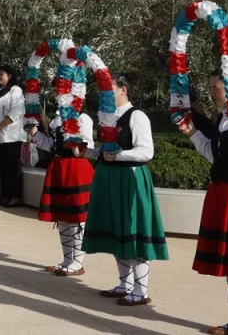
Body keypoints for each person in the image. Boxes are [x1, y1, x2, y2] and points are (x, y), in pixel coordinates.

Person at [84, 73, 167, 306]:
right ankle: (124, 284)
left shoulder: (136, 116)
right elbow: (104, 150)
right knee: (117, 229)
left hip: (129, 178)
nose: (105, 93)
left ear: (123, 90)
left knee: (133, 229)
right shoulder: (107, 117)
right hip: (109, 177)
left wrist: (118, 156)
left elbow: (146, 151)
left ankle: (141, 291)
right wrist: (88, 150)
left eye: (109, 88)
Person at [178, 68, 228, 334]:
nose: (213, 91)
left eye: (217, 87)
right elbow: (215, 156)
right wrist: (193, 133)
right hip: (223, 194)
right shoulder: (223, 118)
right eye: (212, 86)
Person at [29, 101, 95, 277]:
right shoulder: (57, 119)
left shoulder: (82, 117)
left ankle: (78, 262)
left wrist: (79, 146)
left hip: (76, 169)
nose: (59, 94)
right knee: (63, 216)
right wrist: (35, 134)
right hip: (59, 167)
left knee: (77, 217)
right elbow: (51, 145)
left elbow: (89, 145)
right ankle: (67, 260)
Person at [0, 65, 24, 207]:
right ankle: (5, 195)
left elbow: (16, 112)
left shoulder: (15, 90)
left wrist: (0, 125)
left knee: (12, 167)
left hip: (11, 136)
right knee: (3, 168)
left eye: (2, 75)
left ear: (10, 76)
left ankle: (14, 196)